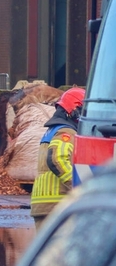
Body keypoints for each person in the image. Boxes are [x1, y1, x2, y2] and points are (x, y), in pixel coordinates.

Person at [30, 87, 85, 230]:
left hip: (45, 204)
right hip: (56, 204)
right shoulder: (66, 132)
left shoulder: (53, 130)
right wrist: (80, 188)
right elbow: (57, 159)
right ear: (75, 110)